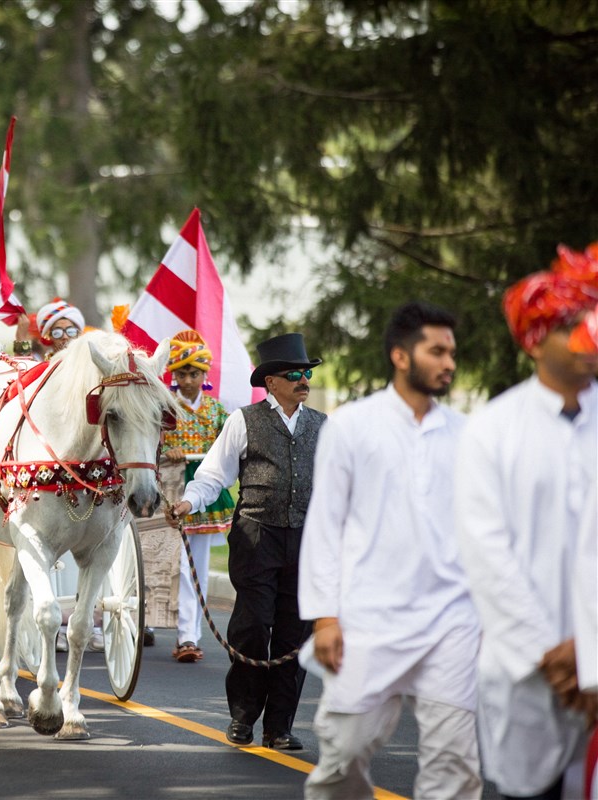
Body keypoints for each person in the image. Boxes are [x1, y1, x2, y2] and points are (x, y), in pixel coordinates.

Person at [300, 302, 482, 798]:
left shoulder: (467, 434)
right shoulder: (352, 425)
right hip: (368, 618)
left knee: (456, 764)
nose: (449, 363)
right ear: (401, 356)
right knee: (343, 755)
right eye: (437, 351)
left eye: (452, 352)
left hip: (452, 622)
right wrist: (324, 618)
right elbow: (325, 524)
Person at [455, 243, 598, 800]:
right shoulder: (492, 430)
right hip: (529, 676)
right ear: (538, 338)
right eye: (575, 328)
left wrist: (593, 653)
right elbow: (488, 558)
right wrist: (563, 661)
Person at [170, 332, 325, 750]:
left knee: (294, 636)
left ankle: (280, 727)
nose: (303, 380)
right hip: (257, 536)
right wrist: (188, 502)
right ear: (271, 382)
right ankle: (243, 715)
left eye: (306, 373)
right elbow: (213, 475)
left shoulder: (322, 425)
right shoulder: (244, 420)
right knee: (253, 627)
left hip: (306, 540)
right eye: (294, 374)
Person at [160, 330, 234, 663]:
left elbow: (230, 451)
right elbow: (147, 441)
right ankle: (162, 624)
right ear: (173, 375)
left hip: (204, 491)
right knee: (166, 563)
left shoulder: (219, 413)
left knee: (194, 568)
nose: (188, 380)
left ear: (205, 375)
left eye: (194, 373)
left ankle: (189, 635)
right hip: (170, 488)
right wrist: (167, 449)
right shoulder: (163, 408)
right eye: (181, 373)